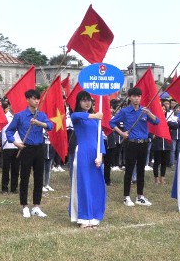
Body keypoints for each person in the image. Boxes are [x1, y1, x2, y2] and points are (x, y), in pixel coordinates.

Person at [5, 89, 54, 218]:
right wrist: (16, 143)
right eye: (33, 98)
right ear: (27, 100)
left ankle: (36, 206)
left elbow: (50, 126)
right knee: (25, 177)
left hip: (39, 148)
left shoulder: (41, 115)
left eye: (38, 98)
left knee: (39, 177)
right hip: (26, 148)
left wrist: (39, 123)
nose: (36, 101)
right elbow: (9, 131)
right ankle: (24, 206)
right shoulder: (20, 116)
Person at [109, 87, 160, 207]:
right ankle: (126, 196)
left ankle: (140, 196)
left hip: (144, 143)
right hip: (131, 143)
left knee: (141, 170)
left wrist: (149, 113)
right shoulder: (125, 111)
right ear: (130, 97)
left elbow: (157, 121)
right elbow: (111, 122)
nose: (137, 98)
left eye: (139, 96)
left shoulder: (144, 110)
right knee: (129, 170)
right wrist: (122, 133)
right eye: (134, 96)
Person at [69, 91, 106, 228]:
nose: (87, 103)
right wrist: (95, 115)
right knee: (83, 184)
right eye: (84, 100)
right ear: (79, 102)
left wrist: (100, 155)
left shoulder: (96, 119)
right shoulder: (77, 117)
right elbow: (76, 115)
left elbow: (100, 138)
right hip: (82, 153)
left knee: (96, 185)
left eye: (89, 100)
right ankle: (83, 217)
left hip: (95, 155)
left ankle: (94, 216)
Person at [0, 99, 20, 194]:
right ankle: (4, 188)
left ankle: (14, 188)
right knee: (6, 168)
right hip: (7, 145)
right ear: (9, 106)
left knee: (16, 168)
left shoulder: (19, 117)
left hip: (18, 145)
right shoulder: (5, 117)